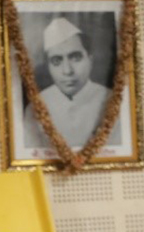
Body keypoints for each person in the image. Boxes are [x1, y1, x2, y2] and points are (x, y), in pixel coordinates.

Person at [23, 16, 120, 149]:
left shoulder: (113, 102)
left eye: (75, 58)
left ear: (90, 59)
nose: (67, 71)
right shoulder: (35, 108)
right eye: (56, 61)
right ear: (48, 66)